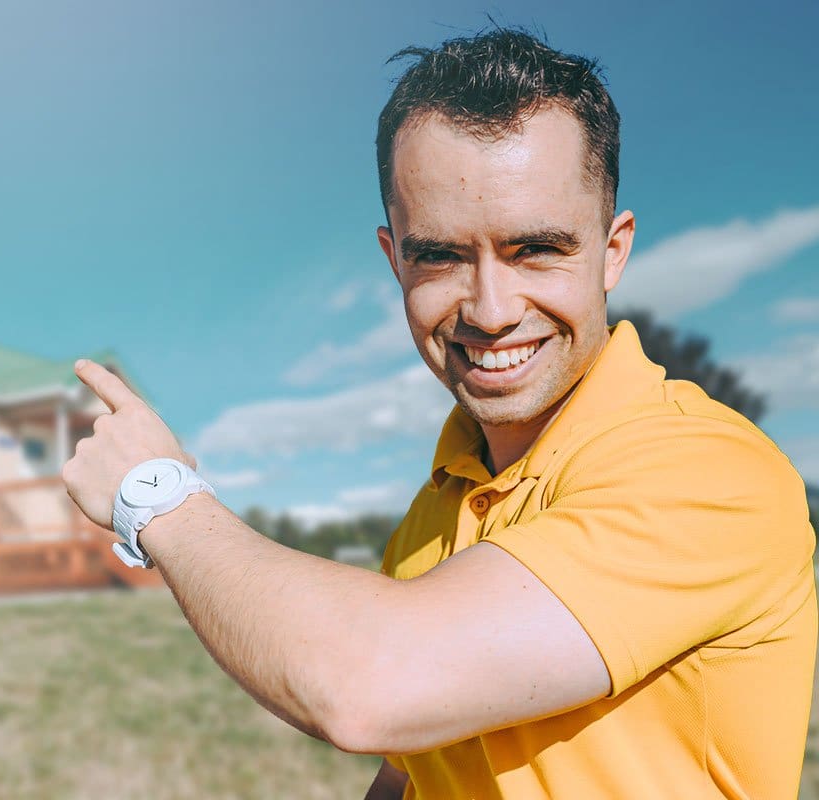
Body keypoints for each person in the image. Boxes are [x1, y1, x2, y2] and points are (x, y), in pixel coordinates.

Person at [62, 28, 816, 799]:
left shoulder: (714, 474)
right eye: (442, 256)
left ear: (612, 250)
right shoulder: (432, 515)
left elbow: (369, 687)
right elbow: (409, 766)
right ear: (395, 260)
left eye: (535, 250)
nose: (491, 311)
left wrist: (153, 494)